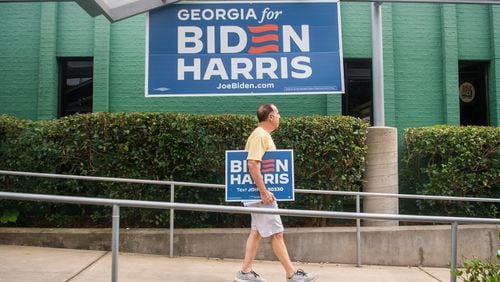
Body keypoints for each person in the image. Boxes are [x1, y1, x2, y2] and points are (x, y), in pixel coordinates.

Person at [235, 103, 315, 282]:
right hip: (262, 195)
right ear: (270, 116)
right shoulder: (260, 135)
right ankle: (291, 274)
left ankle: (245, 273)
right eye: (278, 113)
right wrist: (264, 192)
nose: (280, 116)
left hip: (260, 194)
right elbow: (253, 164)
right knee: (277, 233)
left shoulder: (262, 135)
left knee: (256, 232)